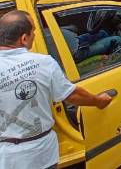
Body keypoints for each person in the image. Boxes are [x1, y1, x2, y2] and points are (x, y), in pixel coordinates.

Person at [0, 11, 113, 169]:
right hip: (40, 154)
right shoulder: (43, 63)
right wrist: (99, 101)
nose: (34, 35)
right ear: (24, 38)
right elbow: (71, 96)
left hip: (6, 157)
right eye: (33, 32)